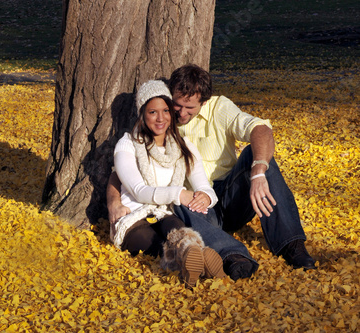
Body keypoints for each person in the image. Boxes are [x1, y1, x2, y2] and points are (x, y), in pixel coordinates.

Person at [108, 64, 316, 280]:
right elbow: (124, 169)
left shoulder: (218, 109)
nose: (180, 113)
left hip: (228, 196)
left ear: (204, 102)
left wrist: (258, 172)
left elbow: (260, 129)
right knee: (180, 206)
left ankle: (292, 246)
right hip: (191, 206)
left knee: (261, 160)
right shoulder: (157, 125)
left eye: (189, 108)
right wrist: (113, 202)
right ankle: (233, 257)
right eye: (176, 105)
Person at [111, 79, 226, 286]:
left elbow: (204, 186)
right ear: (142, 113)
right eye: (152, 112)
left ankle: (195, 259)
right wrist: (179, 194)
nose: (160, 118)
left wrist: (206, 196)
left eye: (165, 110)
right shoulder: (127, 144)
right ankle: (196, 262)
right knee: (153, 242)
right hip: (134, 216)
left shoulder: (183, 146)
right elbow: (138, 191)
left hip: (166, 213)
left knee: (176, 228)